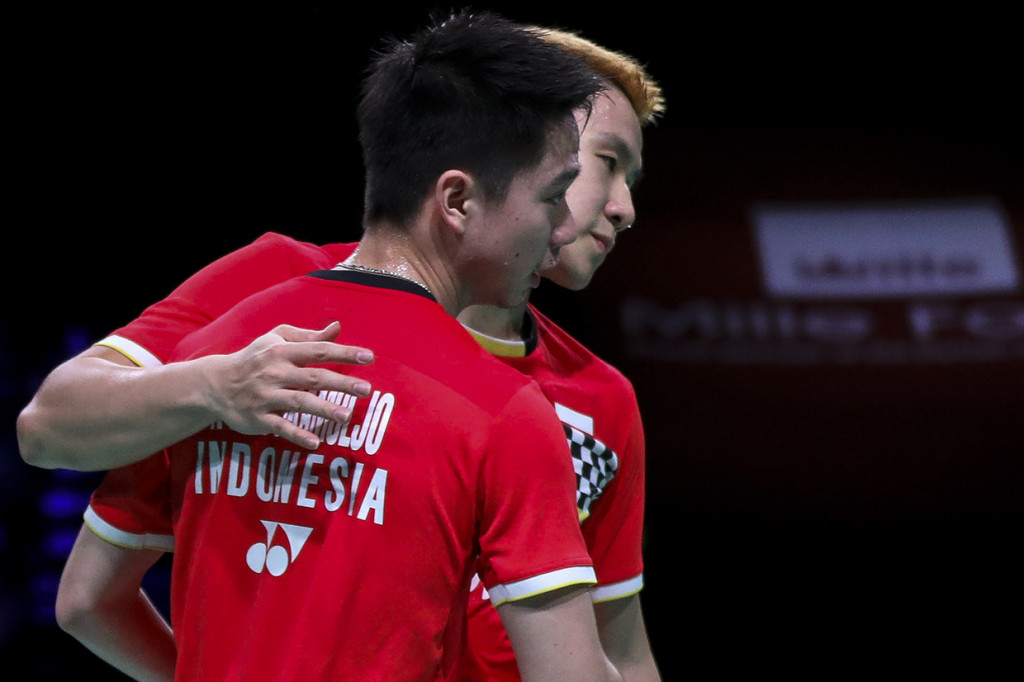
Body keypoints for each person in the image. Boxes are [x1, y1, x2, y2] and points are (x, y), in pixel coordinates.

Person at [37, 21, 663, 682]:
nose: (622, 208)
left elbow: (622, 651)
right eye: (603, 164)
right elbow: (48, 427)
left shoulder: (600, 399)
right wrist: (211, 387)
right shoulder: (249, 316)